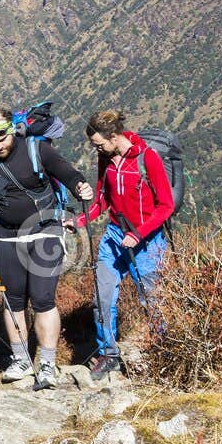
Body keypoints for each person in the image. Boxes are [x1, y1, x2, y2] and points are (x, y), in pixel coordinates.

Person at [0, 107, 93, 390]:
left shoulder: (36, 149)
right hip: (7, 235)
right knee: (13, 300)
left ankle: (48, 364)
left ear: (12, 129)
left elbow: (67, 172)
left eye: (2, 137)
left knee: (42, 298)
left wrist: (81, 187)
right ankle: (21, 360)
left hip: (44, 231)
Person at [76, 110, 175, 379]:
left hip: (147, 242)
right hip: (114, 237)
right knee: (102, 297)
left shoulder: (147, 158)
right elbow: (102, 200)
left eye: (99, 143)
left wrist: (139, 233)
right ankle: (108, 354)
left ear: (114, 136)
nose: (96, 148)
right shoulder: (105, 158)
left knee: (153, 302)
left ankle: (165, 352)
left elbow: (166, 206)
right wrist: (80, 221)